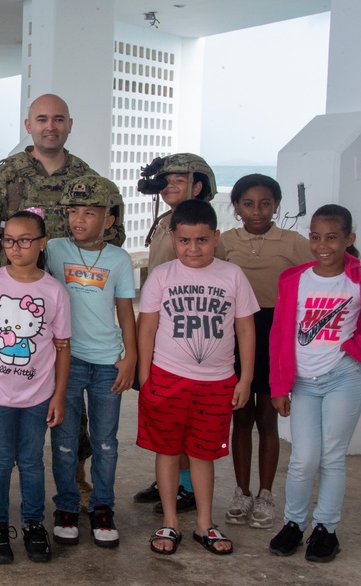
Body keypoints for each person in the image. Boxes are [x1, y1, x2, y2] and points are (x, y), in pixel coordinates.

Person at [0, 94, 125, 519]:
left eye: (58, 119)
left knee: (68, 399)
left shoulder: (93, 182)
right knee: (4, 396)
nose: (50, 126)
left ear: (70, 125)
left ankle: (75, 476)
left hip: (72, 309)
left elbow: (113, 242)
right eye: (42, 119)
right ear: (28, 124)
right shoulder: (4, 181)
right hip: (12, 308)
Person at [268, 204, 361, 563]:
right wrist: (278, 384)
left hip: (343, 378)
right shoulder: (294, 279)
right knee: (303, 459)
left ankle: (325, 530)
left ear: (349, 239)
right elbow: (281, 333)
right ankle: (293, 525)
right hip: (302, 382)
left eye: (332, 237)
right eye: (315, 237)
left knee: (332, 458)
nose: (322, 245)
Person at [137, 199, 258, 556]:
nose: (193, 249)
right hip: (167, 379)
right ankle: (171, 521)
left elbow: (246, 330)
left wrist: (245, 379)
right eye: (185, 240)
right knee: (168, 450)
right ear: (173, 238)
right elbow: (147, 330)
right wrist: (145, 380)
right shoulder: (162, 276)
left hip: (218, 382)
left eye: (202, 240)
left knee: (204, 454)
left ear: (216, 237)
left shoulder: (232, 275)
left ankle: (204, 524)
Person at [216, 174, 314, 529]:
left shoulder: (294, 242)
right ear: (236, 206)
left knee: (268, 417)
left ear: (276, 205)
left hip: (277, 333)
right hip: (236, 332)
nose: (256, 211)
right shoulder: (223, 242)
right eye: (248, 204)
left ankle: (266, 493)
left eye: (265, 203)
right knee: (240, 415)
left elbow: (323, 273)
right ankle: (241, 492)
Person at [46, 176, 136, 549]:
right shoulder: (53, 249)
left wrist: (130, 358)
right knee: (64, 441)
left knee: (105, 442)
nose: (79, 219)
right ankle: (66, 507)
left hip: (106, 363)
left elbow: (126, 312)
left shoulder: (119, 259)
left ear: (109, 220)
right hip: (66, 361)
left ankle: (102, 508)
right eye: (72, 212)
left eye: (89, 212)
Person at [0, 210, 71, 565]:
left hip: (38, 396)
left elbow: (62, 346)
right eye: (9, 240)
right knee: (0, 461)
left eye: (25, 240)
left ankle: (34, 524)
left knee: (31, 461)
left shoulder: (53, 291)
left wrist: (58, 395)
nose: (16, 248)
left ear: (42, 243)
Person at [133, 152, 218, 515]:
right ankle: (170, 479)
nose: (169, 186)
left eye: (179, 181)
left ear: (197, 186)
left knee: (186, 420)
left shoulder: (200, 233)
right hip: (162, 329)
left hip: (185, 337)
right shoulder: (167, 220)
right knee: (166, 416)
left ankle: (184, 488)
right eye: (165, 180)